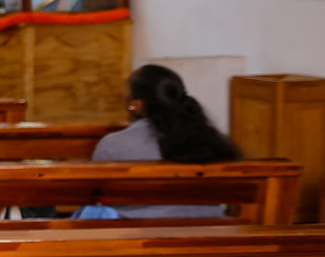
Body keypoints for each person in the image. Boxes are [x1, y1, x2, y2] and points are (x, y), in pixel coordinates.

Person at [76, 65, 239, 219]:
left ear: (137, 105)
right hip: (210, 227)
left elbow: (94, 194)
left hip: (137, 235)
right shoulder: (211, 140)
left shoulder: (113, 144)